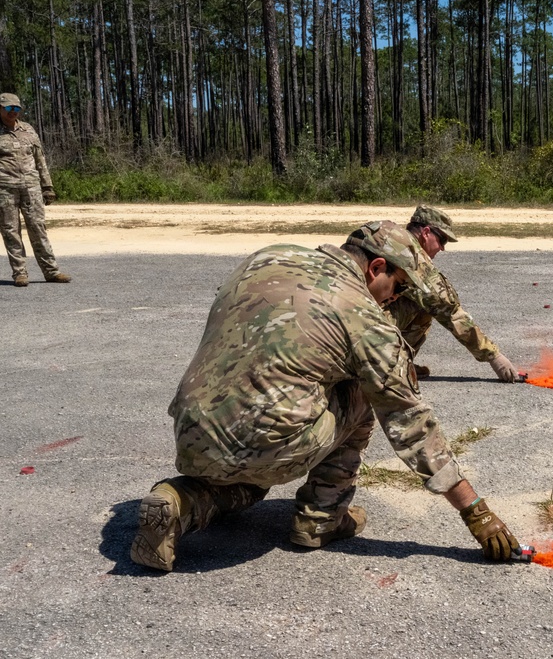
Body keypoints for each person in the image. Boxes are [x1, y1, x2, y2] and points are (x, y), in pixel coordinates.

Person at [130, 220, 522, 572]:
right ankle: (321, 518)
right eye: (398, 287)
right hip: (269, 444)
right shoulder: (364, 315)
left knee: (248, 484)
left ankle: (179, 502)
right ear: (377, 268)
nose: (392, 299)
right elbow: (410, 423)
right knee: (365, 389)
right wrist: (476, 512)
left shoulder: (268, 257)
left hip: (191, 430)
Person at [388, 204, 520, 382]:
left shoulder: (388, 238)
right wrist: (494, 357)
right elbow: (449, 311)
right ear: (426, 233)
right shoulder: (413, 258)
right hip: (359, 332)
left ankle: (394, 362)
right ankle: (388, 366)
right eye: (442, 240)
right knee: (428, 305)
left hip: (347, 322)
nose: (442, 248)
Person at [0, 92, 70, 287]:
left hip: (32, 188)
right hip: (5, 190)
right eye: (8, 108)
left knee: (38, 228)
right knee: (10, 231)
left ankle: (51, 271)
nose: (13, 112)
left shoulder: (28, 130)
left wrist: (48, 187)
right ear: (0, 109)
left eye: (16, 108)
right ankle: (20, 273)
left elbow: (40, 160)